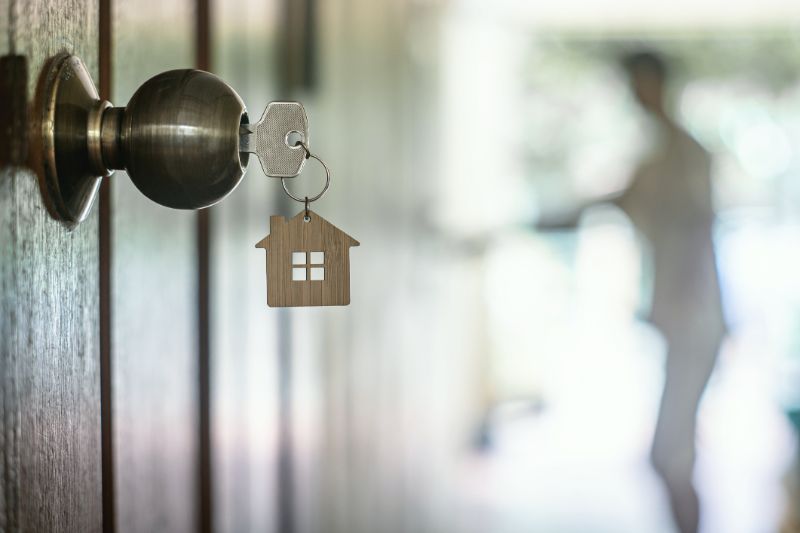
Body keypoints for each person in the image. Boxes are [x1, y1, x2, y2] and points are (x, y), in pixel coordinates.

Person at [541, 50, 726, 533]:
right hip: (681, 318)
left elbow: (697, 230)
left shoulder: (685, 155)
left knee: (669, 457)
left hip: (694, 319)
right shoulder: (661, 158)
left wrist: (679, 300)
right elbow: (608, 202)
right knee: (670, 456)